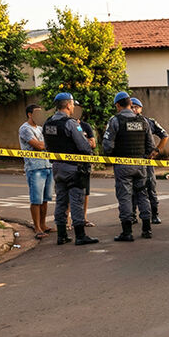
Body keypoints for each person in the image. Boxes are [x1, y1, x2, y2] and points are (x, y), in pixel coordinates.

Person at [42, 93, 98, 245]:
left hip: (57, 167)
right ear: (68, 105)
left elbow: (46, 146)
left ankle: (61, 235)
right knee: (76, 200)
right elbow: (84, 146)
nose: (73, 107)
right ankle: (80, 236)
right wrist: (89, 146)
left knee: (61, 200)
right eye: (73, 104)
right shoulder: (71, 123)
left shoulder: (48, 123)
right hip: (73, 167)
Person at [102, 91, 154, 241]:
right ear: (130, 104)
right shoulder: (143, 120)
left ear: (118, 105)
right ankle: (146, 229)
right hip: (140, 164)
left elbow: (107, 145)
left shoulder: (115, 120)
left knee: (125, 196)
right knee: (143, 195)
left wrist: (111, 156)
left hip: (123, 164)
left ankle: (127, 232)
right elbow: (151, 145)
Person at [19, 104, 54, 239]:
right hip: (35, 167)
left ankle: (43, 224)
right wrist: (50, 144)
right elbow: (39, 146)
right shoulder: (25, 129)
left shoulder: (41, 128)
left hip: (47, 165)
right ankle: (37, 227)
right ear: (29, 114)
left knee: (45, 199)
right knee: (36, 199)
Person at [131, 97, 168, 224]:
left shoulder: (149, 121)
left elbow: (164, 135)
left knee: (150, 187)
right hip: (132, 160)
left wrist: (157, 150)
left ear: (141, 109)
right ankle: (132, 215)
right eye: (131, 107)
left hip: (146, 160)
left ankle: (155, 214)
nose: (134, 109)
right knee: (131, 189)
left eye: (136, 107)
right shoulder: (123, 121)